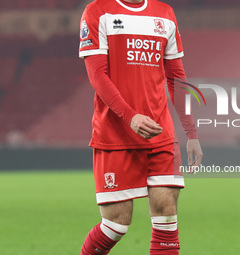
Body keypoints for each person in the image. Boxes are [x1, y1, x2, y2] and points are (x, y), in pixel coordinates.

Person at [78, 0, 203, 254]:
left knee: (167, 217)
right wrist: (130, 116)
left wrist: (191, 132)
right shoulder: (97, 11)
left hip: (160, 135)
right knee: (115, 225)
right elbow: (97, 74)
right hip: (115, 136)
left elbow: (177, 78)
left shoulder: (165, 13)